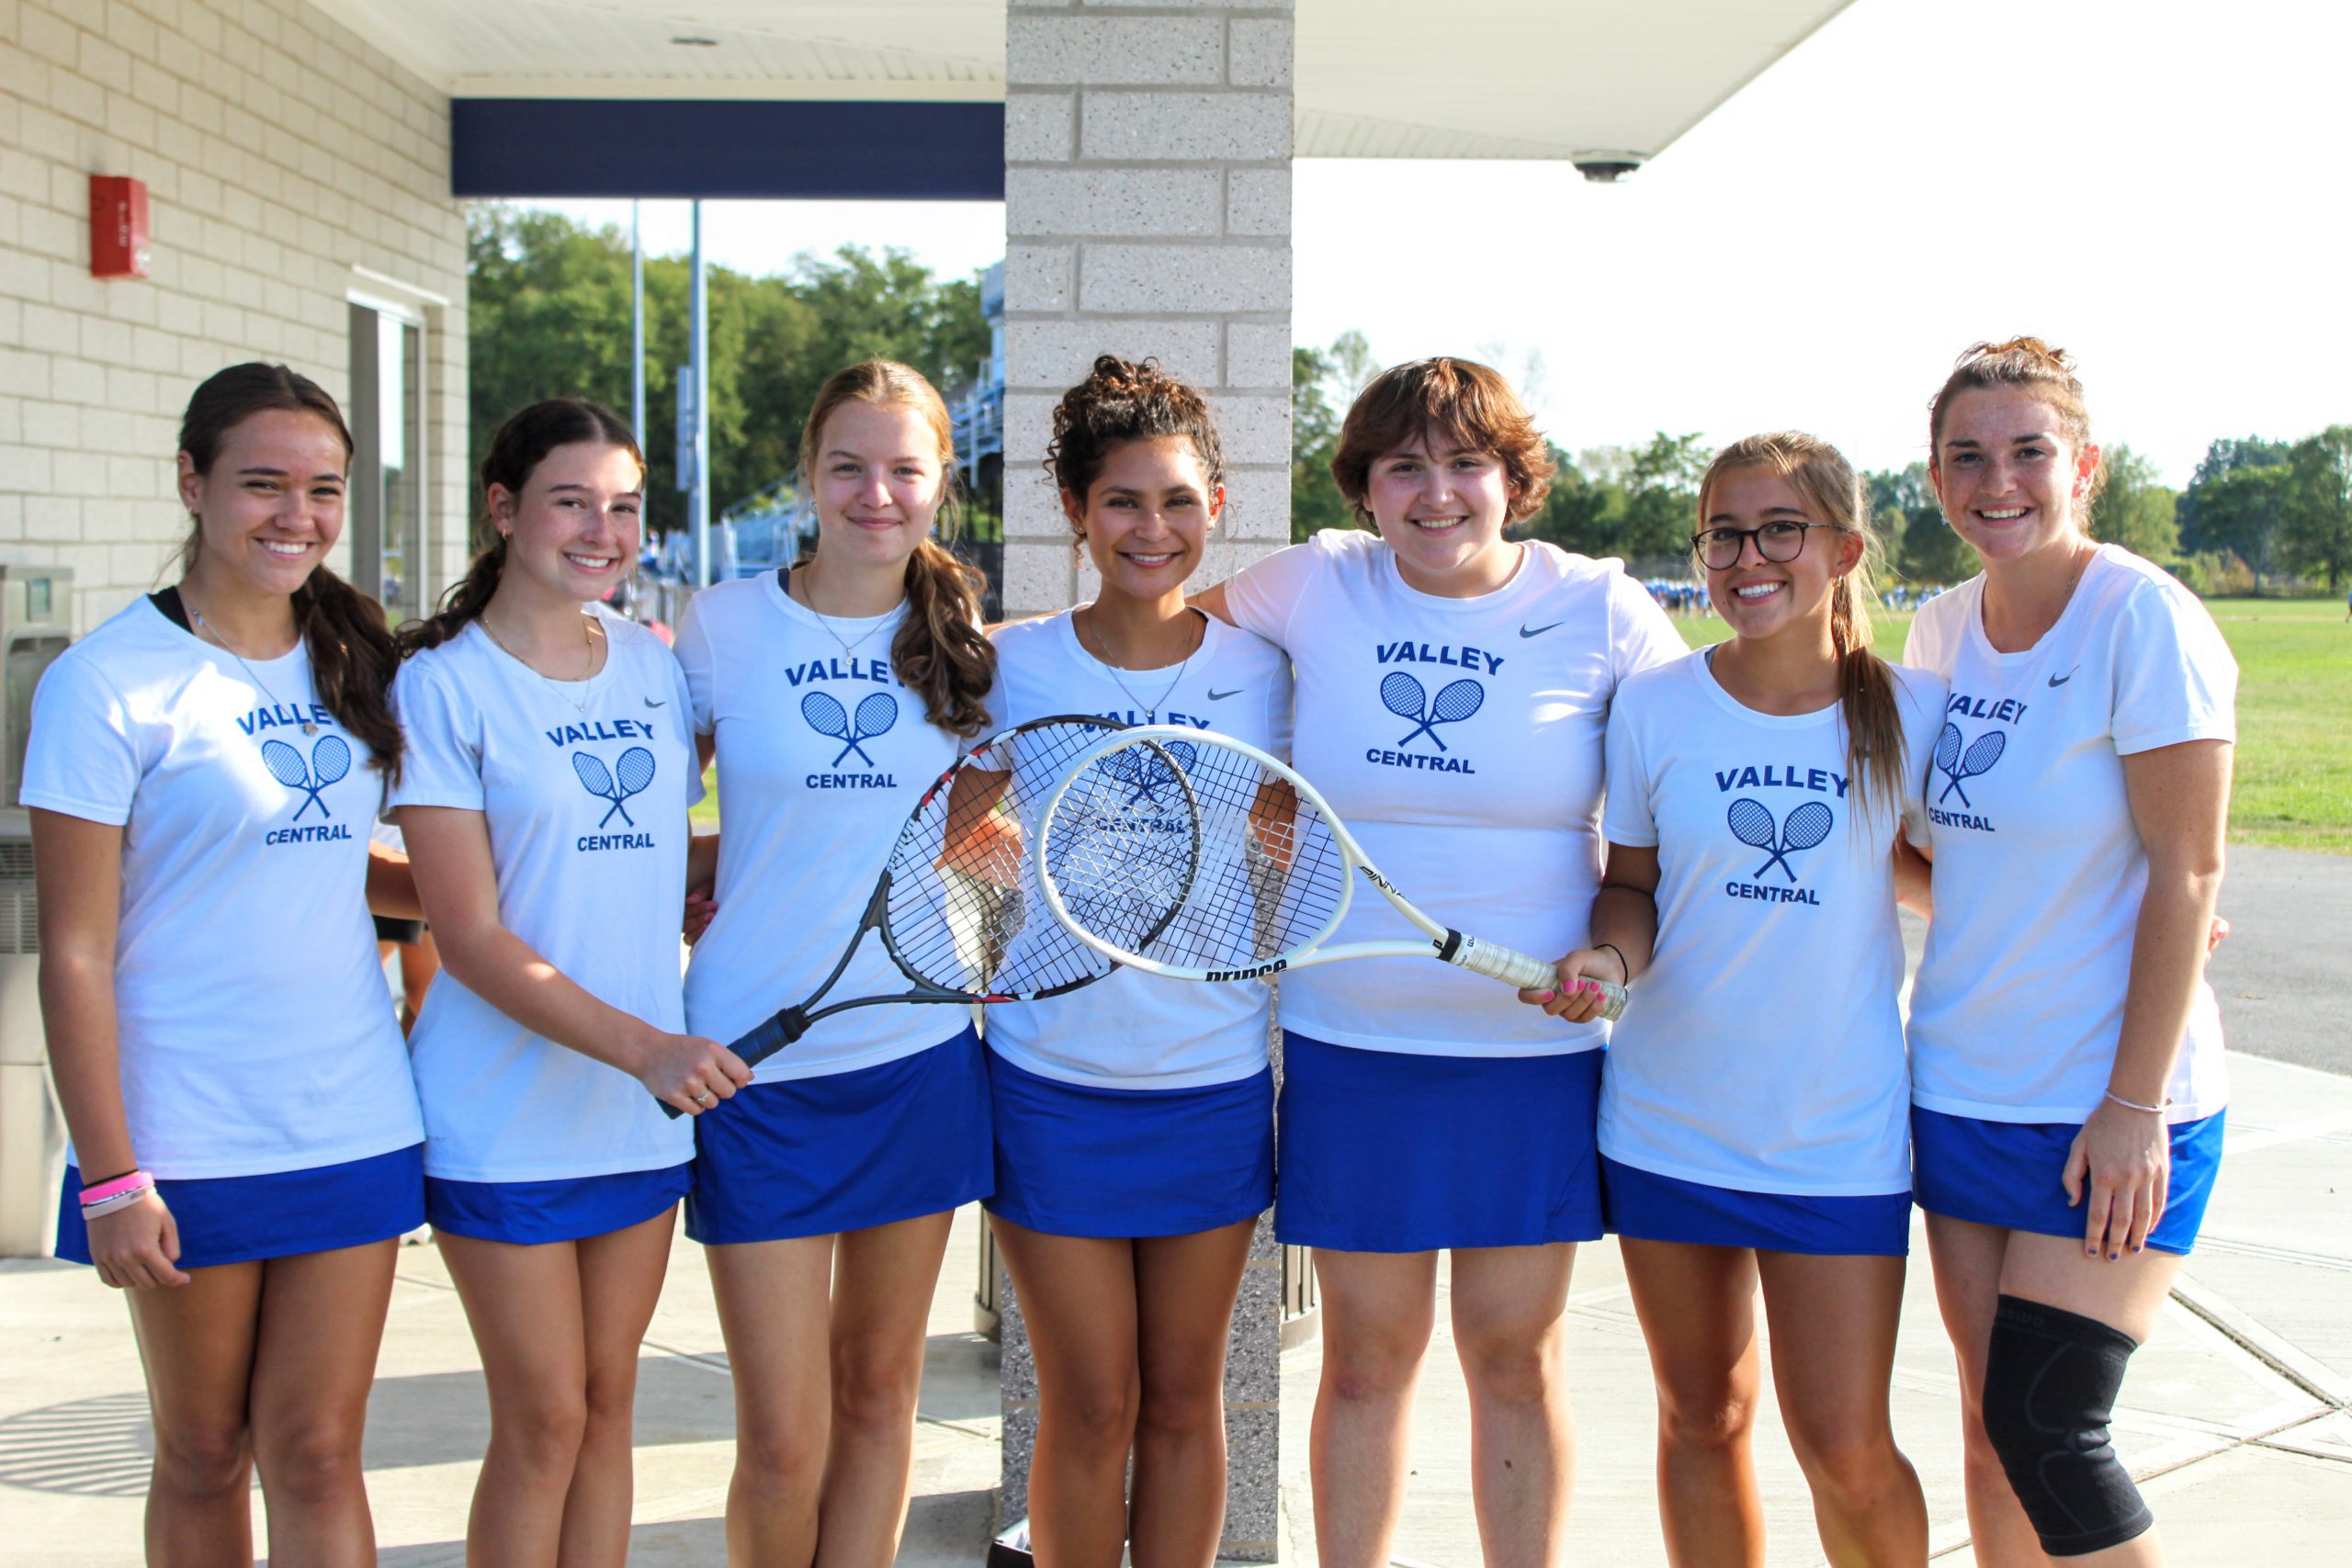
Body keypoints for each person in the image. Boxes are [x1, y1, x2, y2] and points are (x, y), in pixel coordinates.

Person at [1192, 357, 1684, 1566]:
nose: (1436, 492)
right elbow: (1139, 641)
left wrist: (1613, 958)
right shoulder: (1314, 583)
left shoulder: (1603, 607)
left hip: (1529, 1051)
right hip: (1354, 1045)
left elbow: (1686, 805)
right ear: (1364, 489)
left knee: (1514, 1358)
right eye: (1402, 466)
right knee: (1367, 1362)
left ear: (1515, 478)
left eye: (1466, 462)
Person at [27, 362, 424, 1562]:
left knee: (318, 1448)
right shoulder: (105, 683)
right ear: (192, 482)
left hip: (349, 1110)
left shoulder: (356, 658)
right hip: (183, 1128)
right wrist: (110, 1174)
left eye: (322, 488)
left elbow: (333, 862)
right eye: (262, 483)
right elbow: (76, 949)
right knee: (203, 1449)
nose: (295, 515)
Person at [1528, 433, 1939, 1564]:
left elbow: (1991, 873)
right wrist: (1606, 967)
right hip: (1670, 1126)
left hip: (1834, 1137)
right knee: (1699, 1418)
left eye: (1779, 530)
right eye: (1723, 533)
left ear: (1844, 548)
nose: (1747, 557)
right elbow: (1632, 889)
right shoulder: (1655, 707)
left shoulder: (1917, 711)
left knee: (1845, 1448)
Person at [390, 398, 744, 1567]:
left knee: (607, 1415)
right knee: (542, 1423)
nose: (603, 529)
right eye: (572, 500)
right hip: (506, 1114)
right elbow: (474, 934)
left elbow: (642, 851)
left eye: (625, 506)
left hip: (635, 1121)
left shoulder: (649, 665)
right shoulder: (443, 685)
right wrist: (649, 1048)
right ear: (503, 510)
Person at [1904, 340, 2235, 1566]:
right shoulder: (1939, 631)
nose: (2001, 479)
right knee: (1992, 1435)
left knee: (2052, 1428)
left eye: (2028, 450)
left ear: (2081, 465)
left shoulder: (2143, 619)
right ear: (1937, 479)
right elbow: (1910, 846)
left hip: (2111, 1102)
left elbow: (2188, 872)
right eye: (1969, 455)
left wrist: (2135, 1103)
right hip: (1963, 1079)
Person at [678, 359, 998, 1563]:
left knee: (880, 1396)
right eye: (848, 466)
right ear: (809, 476)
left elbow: (981, 831)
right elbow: (658, 818)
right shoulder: (722, 621)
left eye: (904, 468)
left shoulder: (969, 641)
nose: (877, 492)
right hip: (753, 1067)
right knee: (783, 1433)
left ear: (940, 482)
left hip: (913, 1055)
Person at [984, 356, 1292, 1565]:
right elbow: (954, 818)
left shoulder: (1264, 671)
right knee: (1091, 1402)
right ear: (1075, 512)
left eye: (1176, 500)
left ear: (1216, 502)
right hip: (1050, 1078)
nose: (1150, 529)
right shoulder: (1013, 665)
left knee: (1180, 1397)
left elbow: (1299, 824)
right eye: (1121, 500)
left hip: (1210, 1079)